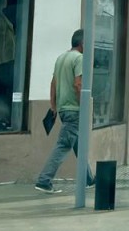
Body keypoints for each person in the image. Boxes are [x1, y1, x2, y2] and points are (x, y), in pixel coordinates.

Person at [35, 29, 94, 193]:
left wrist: (54, 106)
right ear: (83, 43)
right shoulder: (79, 58)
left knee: (76, 144)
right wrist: (84, 106)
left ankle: (89, 179)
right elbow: (78, 84)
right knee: (63, 145)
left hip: (62, 108)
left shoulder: (61, 58)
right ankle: (44, 181)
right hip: (74, 109)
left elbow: (53, 83)